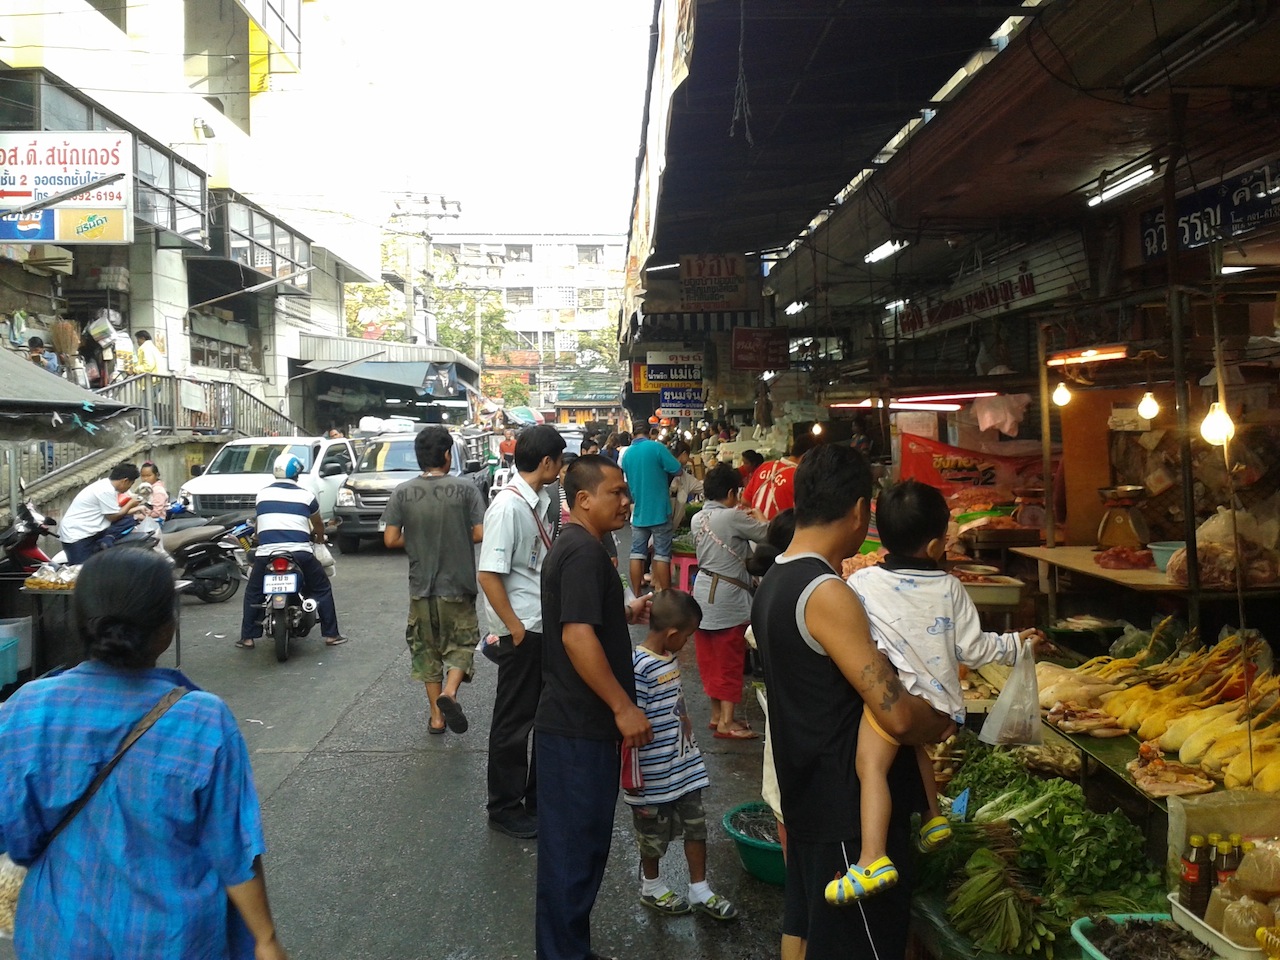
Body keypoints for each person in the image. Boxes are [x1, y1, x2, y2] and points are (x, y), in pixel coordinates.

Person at [0, 549, 287, 960]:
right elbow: (234, 851)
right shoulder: (202, 719)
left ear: (81, 622)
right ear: (166, 627)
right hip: (174, 942)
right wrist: (265, 939)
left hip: (57, 935)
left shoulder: (26, 709)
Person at [751, 444, 953, 960]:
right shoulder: (825, 591)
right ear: (861, 510)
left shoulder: (775, 579)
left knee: (805, 934)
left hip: (807, 796)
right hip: (846, 813)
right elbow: (896, 713)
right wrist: (944, 719)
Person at [832, 480, 1042, 903]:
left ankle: (872, 858)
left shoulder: (864, 583)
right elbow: (976, 649)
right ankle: (933, 817)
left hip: (895, 704)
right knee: (916, 747)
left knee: (870, 767)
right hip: (942, 708)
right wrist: (1018, 642)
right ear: (933, 547)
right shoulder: (951, 588)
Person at [535, 455, 653, 960]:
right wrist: (623, 706)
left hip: (577, 726)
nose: (627, 501)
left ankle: (568, 950)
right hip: (577, 727)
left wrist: (620, 612)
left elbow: (586, 622)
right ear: (584, 499)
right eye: (617, 492)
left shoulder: (583, 546)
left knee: (578, 852)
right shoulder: (582, 552)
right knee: (573, 855)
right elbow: (577, 635)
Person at [625, 589, 740, 921]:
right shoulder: (640, 666)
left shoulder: (668, 658)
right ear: (672, 634)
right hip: (652, 774)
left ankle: (700, 888)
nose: (687, 643)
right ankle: (652, 886)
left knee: (696, 827)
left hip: (684, 767)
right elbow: (635, 722)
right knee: (652, 836)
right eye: (687, 637)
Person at [478, 424, 566, 839]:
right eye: (560, 461)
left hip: (539, 625)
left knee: (539, 717)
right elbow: (489, 575)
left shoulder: (542, 499)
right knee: (513, 723)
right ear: (546, 462)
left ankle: (534, 800)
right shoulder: (508, 507)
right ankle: (504, 807)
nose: (562, 469)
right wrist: (514, 629)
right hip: (524, 630)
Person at [381, 426, 486, 734]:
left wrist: (418, 539)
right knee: (461, 643)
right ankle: (450, 693)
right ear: (446, 455)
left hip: (420, 588)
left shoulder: (402, 491)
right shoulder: (466, 489)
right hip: (458, 585)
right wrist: (456, 536)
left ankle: (436, 718)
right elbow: (480, 533)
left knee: (426, 650)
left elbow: (390, 539)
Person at [690, 463, 768, 739]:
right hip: (729, 597)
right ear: (732, 492)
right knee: (730, 658)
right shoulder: (732, 517)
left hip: (701, 593)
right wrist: (758, 515)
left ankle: (715, 716)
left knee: (710, 659)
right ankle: (727, 722)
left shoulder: (697, 519)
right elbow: (768, 534)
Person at [236, 453, 346, 650]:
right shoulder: (307, 496)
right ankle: (331, 635)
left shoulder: (262, 494)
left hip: (267, 553)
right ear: (297, 474)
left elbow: (259, 525)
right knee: (321, 588)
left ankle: (247, 637)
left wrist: (257, 538)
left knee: (254, 592)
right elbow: (317, 524)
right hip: (300, 553)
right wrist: (320, 538)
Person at [621, 427, 684, 594]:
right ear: (648, 433)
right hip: (660, 511)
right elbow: (677, 469)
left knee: (637, 553)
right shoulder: (656, 447)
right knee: (662, 554)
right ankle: (666, 594)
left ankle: (635, 594)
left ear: (633, 435)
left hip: (639, 512)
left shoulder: (627, 455)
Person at [59, 463, 144, 564]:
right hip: (78, 535)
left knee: (128, 520)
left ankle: (107, 540)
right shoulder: (106, 491)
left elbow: (116, 512)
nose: (129, 487)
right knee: (82, 571)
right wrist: (131, 504)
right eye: (131, 483)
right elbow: (113, 516)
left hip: (90, 531)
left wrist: (136, 509)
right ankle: (107, 540)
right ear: (125, 481)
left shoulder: (106, 485)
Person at [743, 431, 817, 520]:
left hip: (756, 529)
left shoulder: (765, 466)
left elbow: (745, 500)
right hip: (783, 532)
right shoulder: (800, 476)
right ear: (806, 456)